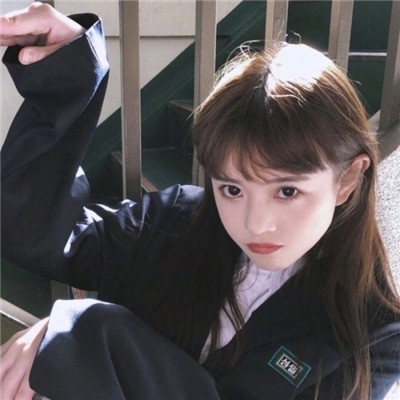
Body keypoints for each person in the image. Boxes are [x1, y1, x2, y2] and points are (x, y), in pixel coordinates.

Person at [1, 3, 399, 400]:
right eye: (232, 189)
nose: (256, 223)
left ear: (348, 178)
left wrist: (88, 336)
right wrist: (67, 81)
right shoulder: (174, 222)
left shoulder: (374, 335)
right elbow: (37, 234)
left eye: (287, 191)